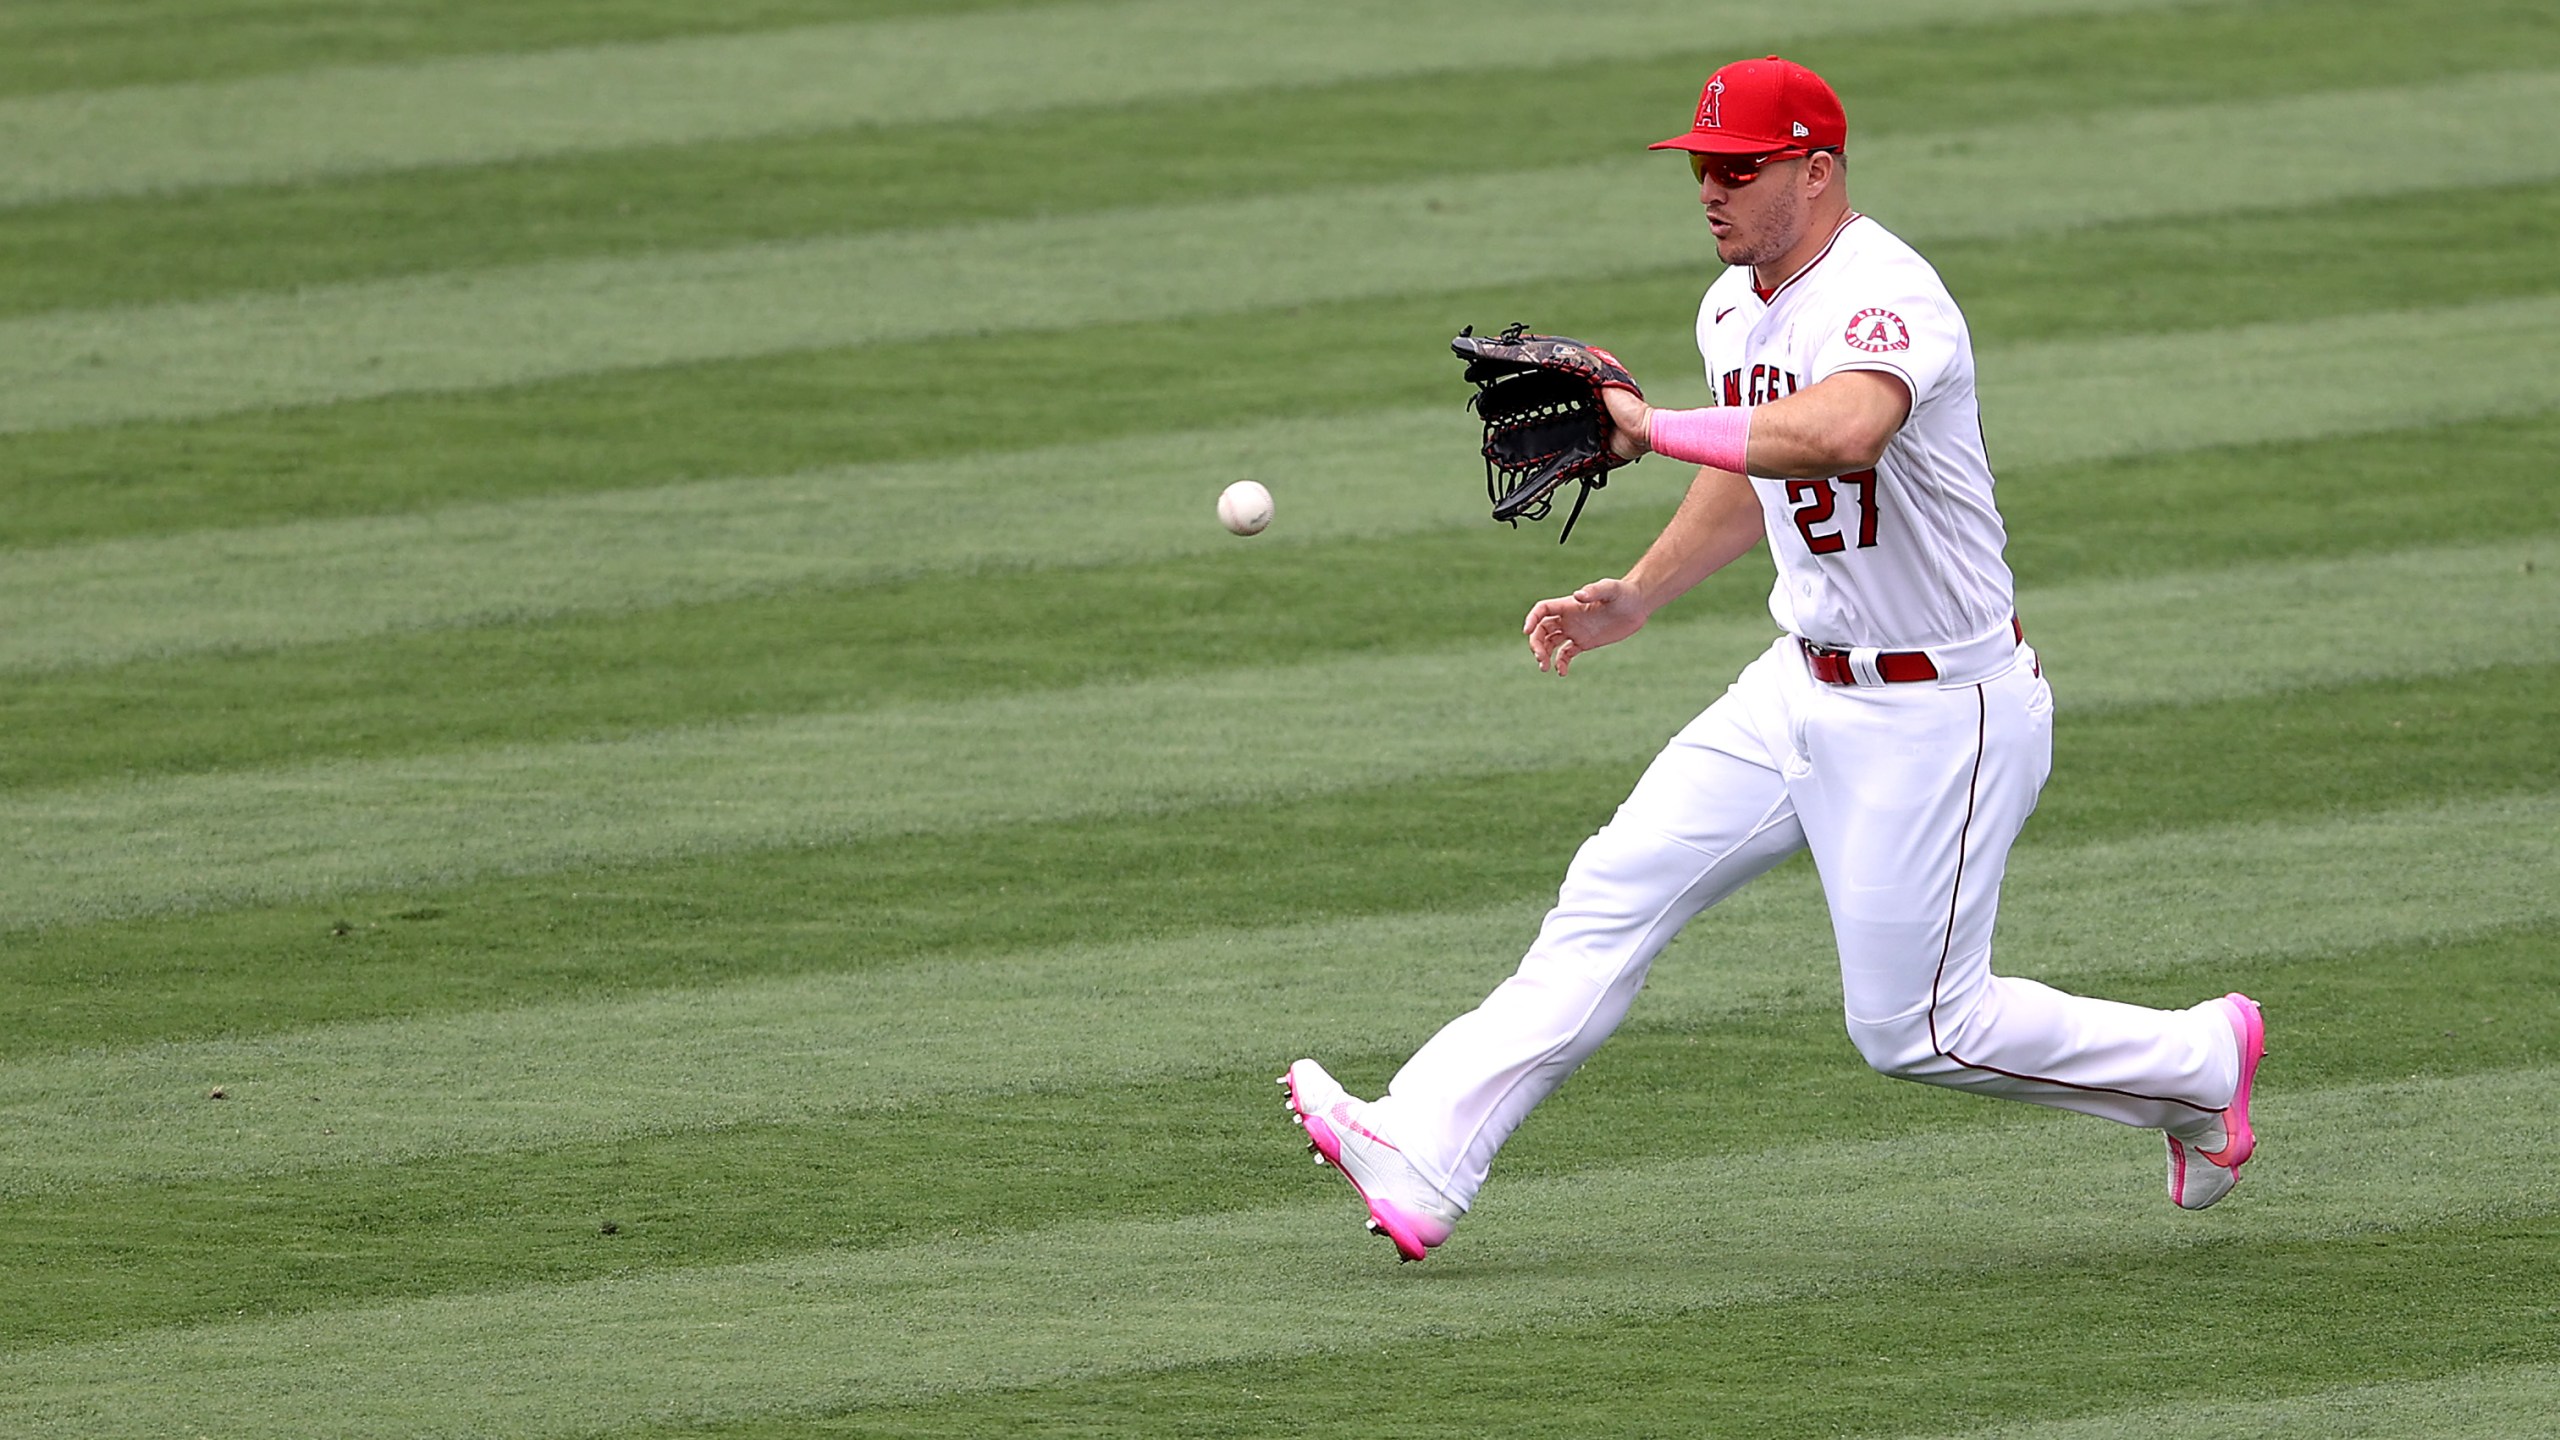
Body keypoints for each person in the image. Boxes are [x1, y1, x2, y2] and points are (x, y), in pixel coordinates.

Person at [1282, 56, 2264, 1262]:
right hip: (1796, 685)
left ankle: (2200, 1063)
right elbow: (1756, 471)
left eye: (1737, 168)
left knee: (1914, 1030)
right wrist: (1634, 596)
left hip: (1937, 709)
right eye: (1701, 167)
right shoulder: (1731, 306)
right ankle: (1427, 1148)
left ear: (1815, 168)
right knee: (1612, 889)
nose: (1709, 190)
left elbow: (1841, 431)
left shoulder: (1887, 295)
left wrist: (1646, 425)